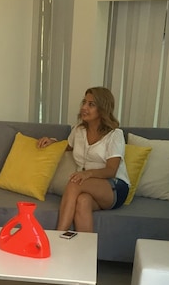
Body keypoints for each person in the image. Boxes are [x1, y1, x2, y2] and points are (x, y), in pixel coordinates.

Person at [37, 87, 129, 232]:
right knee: (82, 201)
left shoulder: (115, 135)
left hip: (114, 186)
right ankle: (85, 246)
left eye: (91, 104)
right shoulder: (78, 130)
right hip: (88, 185)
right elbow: (67, 147)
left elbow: (111, 170)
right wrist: (52, 142)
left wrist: (87, 174)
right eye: (84, 102)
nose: (84, 107)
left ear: (103, 109)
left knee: (75, 182)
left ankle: (58, 235)